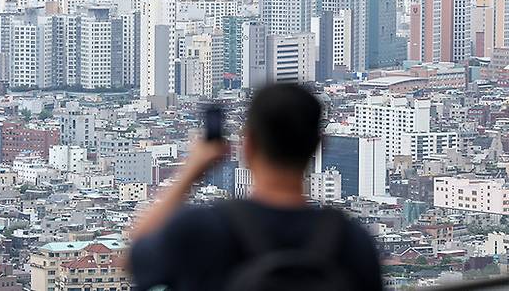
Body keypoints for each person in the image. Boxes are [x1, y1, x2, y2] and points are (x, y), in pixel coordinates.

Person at [129, 84, 382, 290]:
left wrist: (192, 170)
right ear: (319, 146)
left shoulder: (203, 230)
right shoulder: (352, 243)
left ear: (247, 145)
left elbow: (138, 253)